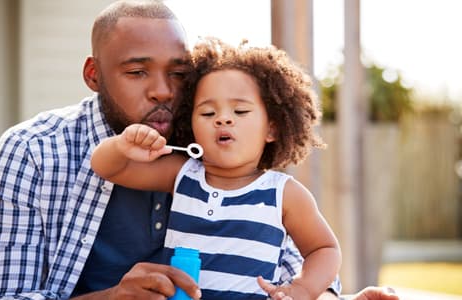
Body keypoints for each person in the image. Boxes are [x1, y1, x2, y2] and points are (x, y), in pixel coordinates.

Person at [0, 0, 398, 299]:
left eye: (178, 73)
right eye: (136, 71)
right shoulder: (34, 151)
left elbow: (288, 270)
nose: (162, 90)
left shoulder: (222, 155)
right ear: (94, 74)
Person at [90, 36, 342, 300]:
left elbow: (324, 249)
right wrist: (122, 146)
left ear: (272, 128)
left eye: (240, 111)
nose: (222, 119)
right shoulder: (182, 174)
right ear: (191, 126)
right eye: (208, 113)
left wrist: (302, 289)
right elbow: (108, 168)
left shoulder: (284, 194)